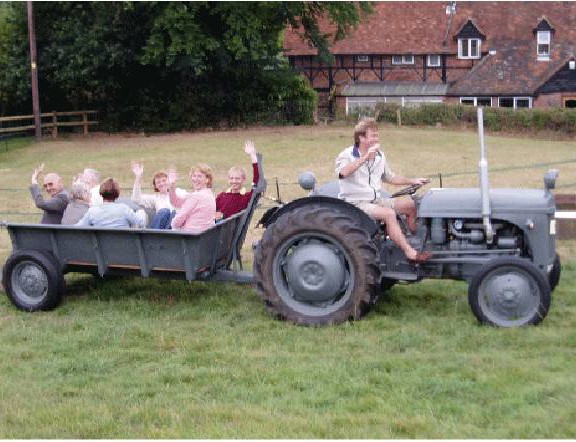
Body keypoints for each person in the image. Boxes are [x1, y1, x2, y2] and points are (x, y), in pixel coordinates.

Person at [335, 117, 431, 262]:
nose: (377, 138)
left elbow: (390, 177)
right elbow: (343, 173)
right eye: (373, 135)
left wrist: (413, 180)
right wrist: (366, 157)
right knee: (389, 214)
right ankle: (409, 252)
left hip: (376, 200)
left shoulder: (380, 156)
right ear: (361, 137)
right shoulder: (347, 155)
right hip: (356, 203)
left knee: (411, 206)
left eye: (377, 135)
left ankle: (420, 244)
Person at [131, 162, 187, 228]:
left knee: (174, 213)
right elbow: (136, 199)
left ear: (169, 181)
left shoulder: (179, 191)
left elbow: (191, 200)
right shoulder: (155, 198)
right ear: (156, 186)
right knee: (164, 211)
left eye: (164, 180)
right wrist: (138, 178)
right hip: (160, 229)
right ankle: (156, 236)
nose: (162, 184)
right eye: (158, 182)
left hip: (175, 229)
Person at [75, 178, 146, 228]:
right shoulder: (124, 209)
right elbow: (141, 222)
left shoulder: (92, 212)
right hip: (124, 247)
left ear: (101, 193)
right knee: (141, 213)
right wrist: (141, 213)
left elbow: (78, 228)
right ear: (117, 193)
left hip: (100, 248)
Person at [215, 140, 259, 220]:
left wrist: (252, 156)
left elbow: (257, 181)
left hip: (231, 231)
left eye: (237, 178)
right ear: (228, 179)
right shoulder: (221, 196)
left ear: (243, 179)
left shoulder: (246, 197)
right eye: (231, 178)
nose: (234, 181)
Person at [168, 164, 216, 234]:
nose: (195, 179)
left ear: (207, 180)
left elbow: (175, 223)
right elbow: (176, 202)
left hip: (189, 238)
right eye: (194, 176)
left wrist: (172, 224)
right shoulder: (209, 194)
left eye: (199, 176)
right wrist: (172, 184)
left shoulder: (196, 196)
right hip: (203, 236)